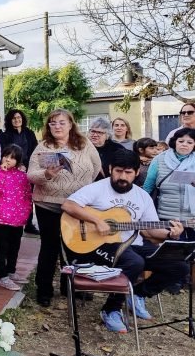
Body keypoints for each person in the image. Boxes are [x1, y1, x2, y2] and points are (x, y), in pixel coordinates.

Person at [62, 150, 187, 333]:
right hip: (100, 245)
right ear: (111, 169)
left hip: (133, 244)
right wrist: (97, 221)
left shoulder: (142, 196)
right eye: (118, 171)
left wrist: (170, 234)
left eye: (128, 172)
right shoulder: (98, 188)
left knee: (179, 266)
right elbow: (68, 205)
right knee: (135, 262)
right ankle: (111, 310)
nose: (122, 176)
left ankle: (137, 294)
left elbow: (151, 231)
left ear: (137, 173)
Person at [28, 109, 102, 307]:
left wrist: (79, 188)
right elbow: (31, 175)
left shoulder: (84, 144)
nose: (57, 127)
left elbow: (96, 168)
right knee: (50, 248)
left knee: (74, 247)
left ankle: (69, 286)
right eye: (53, 123)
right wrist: (48, 174)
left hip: (77, 206)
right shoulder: (43, 146)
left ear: (71, 124)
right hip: (48, 204)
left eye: (61, 122)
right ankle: (44, 290)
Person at [0, 144, 33, 291]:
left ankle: (11, 271)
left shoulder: (22, 176)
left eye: (12, 158)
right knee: (2, 247)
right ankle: (3, 276)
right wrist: (0, 171)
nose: (8, 160)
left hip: (18, 219)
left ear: (18, 161)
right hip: (1, 217)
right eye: (6, 156)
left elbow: (27, 195)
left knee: (15, 246)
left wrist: (26, 213)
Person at [143, 128, 195, 241]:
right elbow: (147, 188)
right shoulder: (159, 160)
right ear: (174, 141)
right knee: (172, 256)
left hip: (192, 221)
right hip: (167, 220)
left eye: (189, 142)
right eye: (181, 141)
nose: (184, 145)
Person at [0, 109, 39, 234]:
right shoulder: (6, 135)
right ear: (10, 120)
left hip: (29, 168)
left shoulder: (29, 133)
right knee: (15, 196)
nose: (17, 120)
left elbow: (35, 149)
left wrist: (31, 166)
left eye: (19, 117)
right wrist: (18, 165)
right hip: (14, 169)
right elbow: (6, 152)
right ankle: (15, 221)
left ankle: (28, 223)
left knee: (28, 196)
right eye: (14, 118)